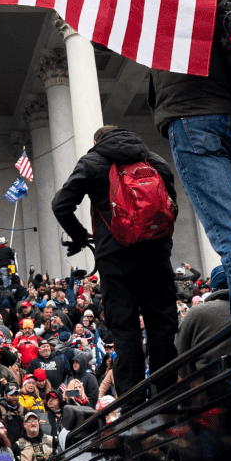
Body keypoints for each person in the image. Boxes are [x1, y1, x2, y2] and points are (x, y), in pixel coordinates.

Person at [52, 125, 182, 393]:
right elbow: (172, 205)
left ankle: (132, 404)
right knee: (162, 327)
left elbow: (60, 204)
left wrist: (80, 237)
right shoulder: (153, 160)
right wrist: (162, 243)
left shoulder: (92, 161)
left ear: (98, 140)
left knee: (125, 330)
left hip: (115, 258)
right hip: (156, 255)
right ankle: (168, 396)